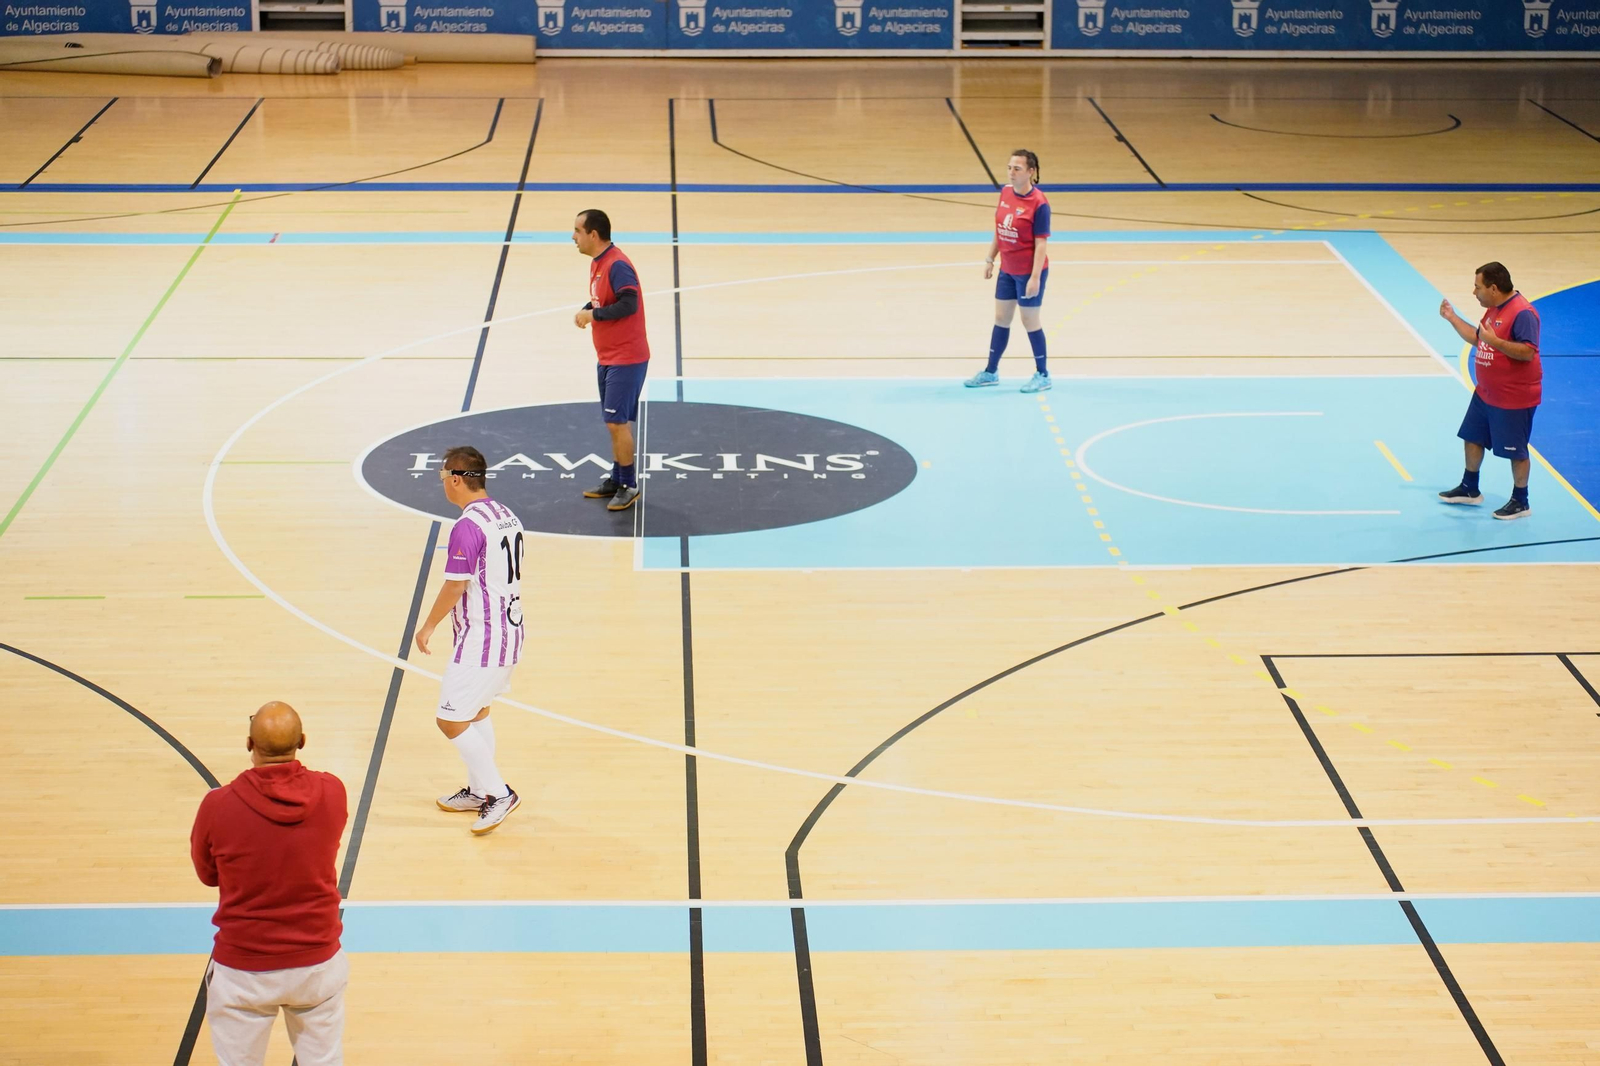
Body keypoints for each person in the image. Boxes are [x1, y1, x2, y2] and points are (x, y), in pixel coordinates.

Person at [190, 701, 349, 1066]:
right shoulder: (332, 791)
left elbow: (207, 874)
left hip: (244, 968)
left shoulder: (217, 805)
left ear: (249, 745)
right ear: (302, 741)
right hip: (317, 963)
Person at [414, 445, 524, 834]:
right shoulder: (506, 515)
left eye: (443, 477)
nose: (443, 484)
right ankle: (480, 790)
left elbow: (456, 584)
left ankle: (498, 793)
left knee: (449, 719)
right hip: (509, 631)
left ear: (456, 479)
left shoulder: (467, 526)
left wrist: (427, 625)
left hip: (484, 637)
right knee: (476, 711)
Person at [1437, 261, 1542, 520]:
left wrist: (1494, 341)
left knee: (1516, 451)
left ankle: (1521, 501)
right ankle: (1470, 488)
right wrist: (1452, 318)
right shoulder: (1495, 309)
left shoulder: (1522, 313)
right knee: (1472, 437)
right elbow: (1478, 338)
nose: (1475, 293)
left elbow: (1528, 352)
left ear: (1493, 288)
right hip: (1486, 393)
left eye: (1477, 287)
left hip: (1513, 397)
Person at [572, 208, 650, 511]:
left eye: (577, 230)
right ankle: (617, 478)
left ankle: (629, 485)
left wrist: (593, 315)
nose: (573, 236)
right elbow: (604, 299)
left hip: (626, 357)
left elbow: (629, 303)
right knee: (612, 422)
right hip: (608, 355)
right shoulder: (598, 263)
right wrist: (589, 309)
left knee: (618, 423)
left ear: (594, 234)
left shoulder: (617, 264)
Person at [965, 149, 1052, 394]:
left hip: (1028, 272)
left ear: (1031, 172)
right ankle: (990, 372)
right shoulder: (1005, 193)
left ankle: (1043, 374)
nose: (1011, 173)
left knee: (1029, 320)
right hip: (1007, 270)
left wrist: (1034, 277)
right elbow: (1000, 229)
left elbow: (1041, 243)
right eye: (1009, 168)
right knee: (1001, 319)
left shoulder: (1039, 203)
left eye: (1017, 169)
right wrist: (990, 258)